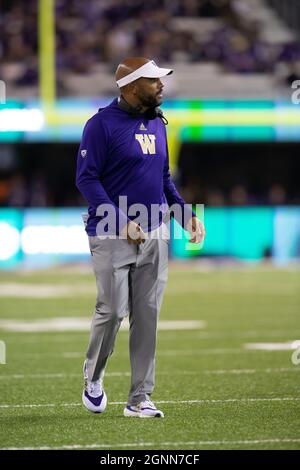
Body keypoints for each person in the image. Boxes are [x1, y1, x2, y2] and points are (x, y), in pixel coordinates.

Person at [76, 57, 205, 418]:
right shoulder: (100, 125)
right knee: (113, 310)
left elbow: (164, 179)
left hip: (155, 230)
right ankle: (94, 377)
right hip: (111, 231)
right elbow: (86, 178)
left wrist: (184, 214)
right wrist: (120, 221)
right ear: (132, 87)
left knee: (147, 315)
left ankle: (139, 398)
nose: (162, 86)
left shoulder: (158, 123)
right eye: (154, 81)